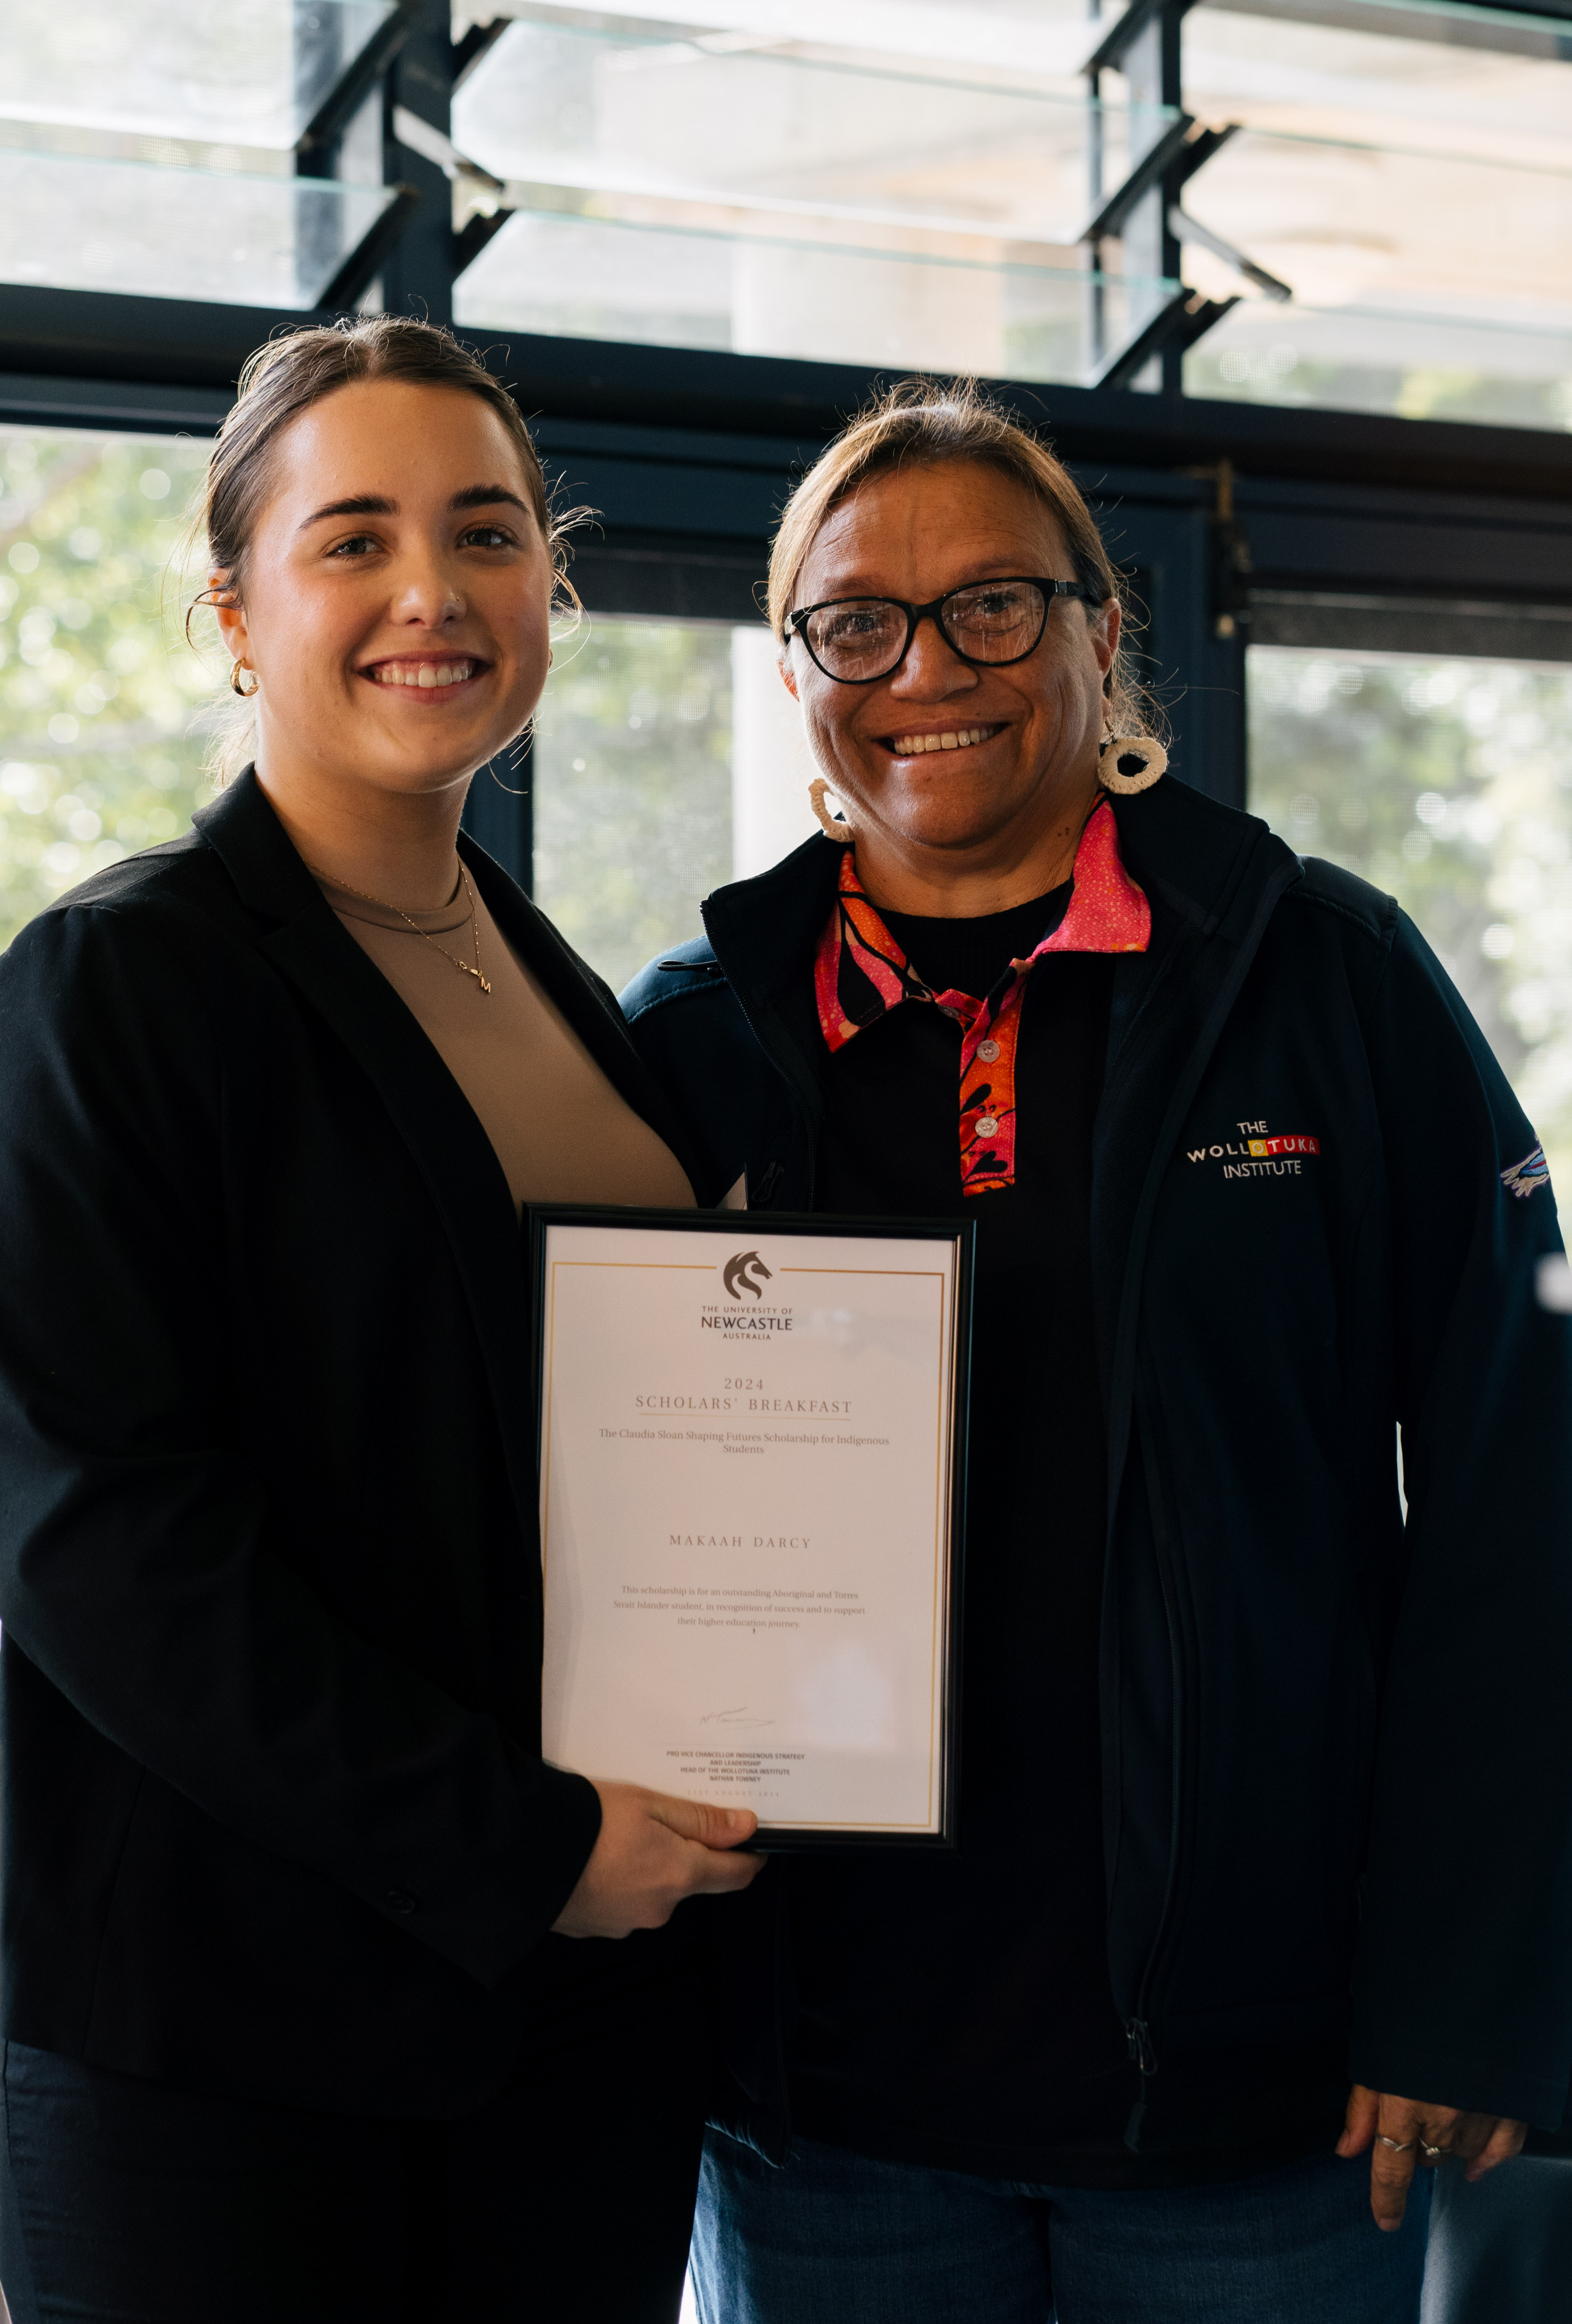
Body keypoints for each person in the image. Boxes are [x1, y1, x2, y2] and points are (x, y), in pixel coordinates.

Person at [619, 379, 1572, 2322]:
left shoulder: (1322, 979)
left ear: (1100, 627)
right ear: (794, 670)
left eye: (993, 603)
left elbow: (1522, 1476)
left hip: (1261, 2096)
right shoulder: (696, 1033)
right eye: (855, 623)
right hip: (821, 2105)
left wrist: (1464, 1985)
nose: (925, 668)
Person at [0, 316, 760, 2324]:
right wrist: (519, 1847)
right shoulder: (115, 982)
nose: (434, 591)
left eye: (487, 533)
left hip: (576, 2023)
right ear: (233, 612)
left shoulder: (547, 976)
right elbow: (98, 1543)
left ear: (549, 591)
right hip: (232, 2045)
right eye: (354, 540)